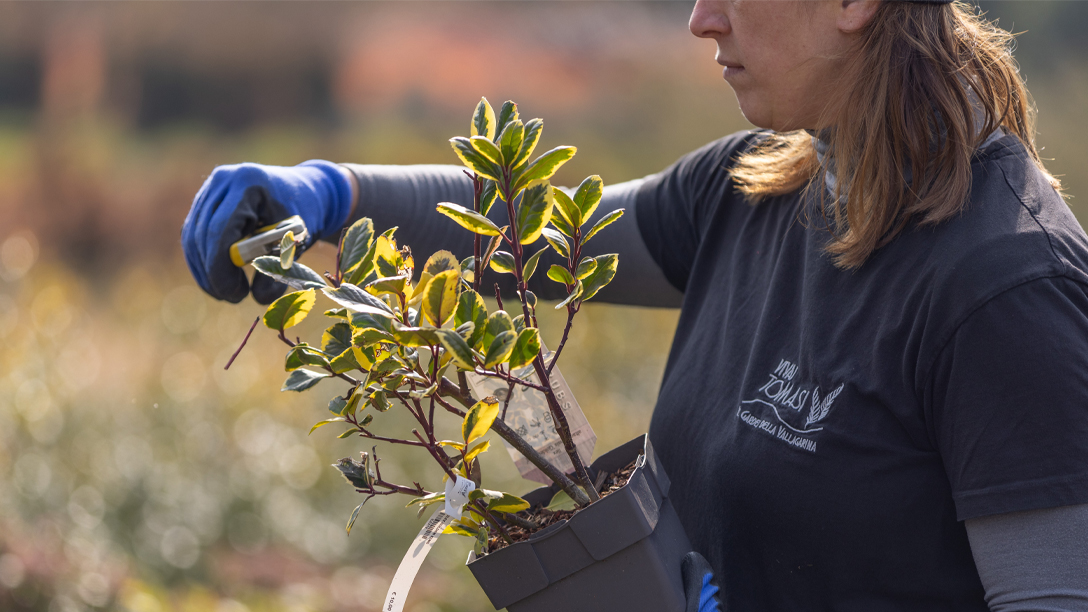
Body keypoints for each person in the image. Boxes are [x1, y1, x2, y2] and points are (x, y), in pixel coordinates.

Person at [181, 1, 1088, 610]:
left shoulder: (1004, 291)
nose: (702, 19)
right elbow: (545, 236)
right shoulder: (755, 193)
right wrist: (332, 196)